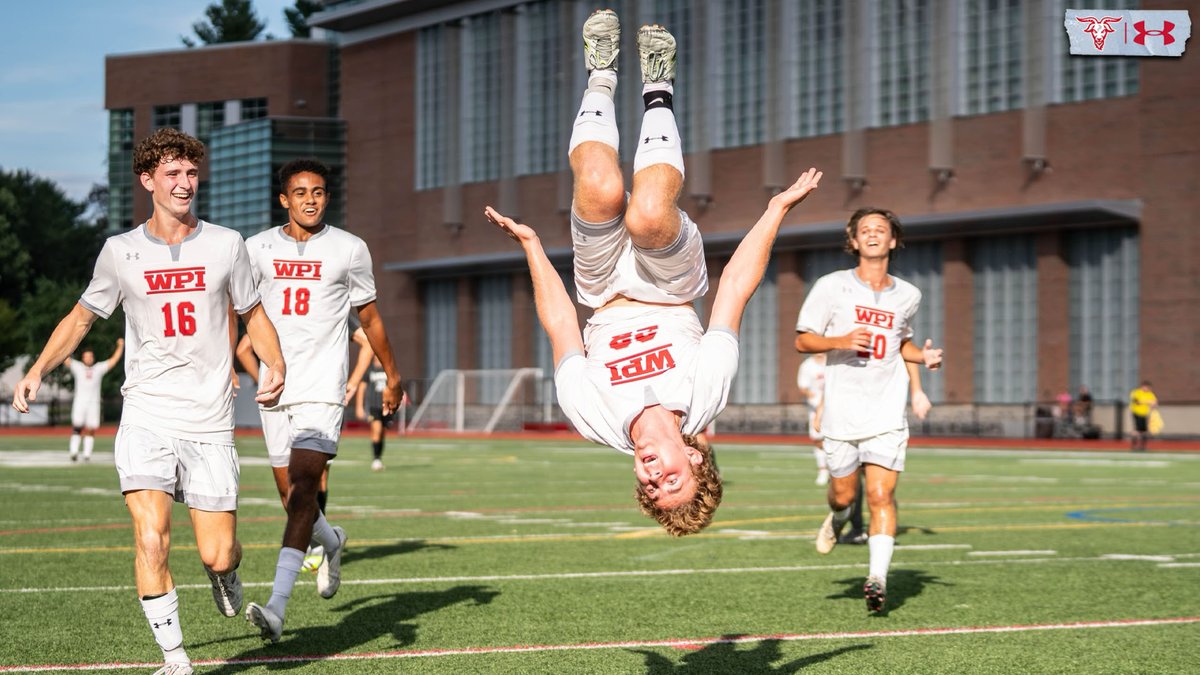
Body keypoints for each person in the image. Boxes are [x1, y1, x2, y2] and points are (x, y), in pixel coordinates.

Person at [484, 9, 823, 536]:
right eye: (672, 482)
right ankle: (658, 85)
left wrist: (531, 245)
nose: (653, 479)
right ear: (695, 459)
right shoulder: (707, 393)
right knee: (644, 216)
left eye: (650, 491)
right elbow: (734, 287)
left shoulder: (591, 418)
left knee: (598, 186)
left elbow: (561, 327)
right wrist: (777, 207)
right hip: (671, 288)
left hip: (601, 291)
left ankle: (601, 73)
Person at [10, 127, 286, 675]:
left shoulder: (227, 244)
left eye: (191, 173)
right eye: (173, 174)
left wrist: (275, 365)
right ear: (147, 180)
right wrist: (38, 368)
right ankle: (174, 658)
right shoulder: (120, 252)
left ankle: (225, 574)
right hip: (146, 412)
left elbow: (253, 314)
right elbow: (82, 317)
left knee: (217, 551)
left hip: (209, 418)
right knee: (150, 536)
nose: (185, 184)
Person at [239, 158, 404, 643]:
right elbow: (240, 315)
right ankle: (332, 542)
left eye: (319, 191)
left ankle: (276, 607)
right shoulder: (256, 249)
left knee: (305, 488)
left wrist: (392, 375)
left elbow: (370, 320)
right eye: (300, 192)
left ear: (327, 197)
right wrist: (225, 366)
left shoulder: (350, 249)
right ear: (283, 200)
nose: (310, 199)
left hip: (322, 391)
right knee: (294, 500)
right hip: (275, 390)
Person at [795, 207, 943, 614]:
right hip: (842, 411)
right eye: (866, 230)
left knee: (881, 494)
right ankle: (837, 517)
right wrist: (841, 339)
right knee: (844, 494)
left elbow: (902, 345)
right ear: (854, 241)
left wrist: (923, 358)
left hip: (886, 412)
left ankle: (877, 578)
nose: (874, 235)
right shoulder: (831, 287)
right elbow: (803, 342)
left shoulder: (909, 294)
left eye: (881, 229)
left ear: (893, 240)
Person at [64, 338, 124, 462]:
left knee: (91, 429)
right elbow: (65, 359)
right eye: (86, 356)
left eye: (90, 356)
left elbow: (113, 361)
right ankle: (74, 452)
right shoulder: (78, 367)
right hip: (80, 402)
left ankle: (87, 454)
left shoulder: (98, 368)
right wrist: (66, 341)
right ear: (83, 358)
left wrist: (120, 347)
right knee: (77, 427)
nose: (88, 358)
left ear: (93, 358)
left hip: (94, 403)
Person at [356, 353, 396, 471]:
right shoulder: (369, 370)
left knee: (382, 433)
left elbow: (395, 384)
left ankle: (378, 458)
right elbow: (362, 388)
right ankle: (376, 459)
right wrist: (359, 407)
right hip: (374, 406)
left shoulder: (388, 369)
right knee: (377, 430)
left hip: (386, 406)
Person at [797, 353, 829, 486]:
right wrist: (813, 396)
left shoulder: (833, 361)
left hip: (834, 407)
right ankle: (823, 470)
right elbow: (803, 387)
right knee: (817, 439)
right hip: (815, 409)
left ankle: (836, 469)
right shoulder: (807, 366)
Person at [1128, 380, 1158, 452]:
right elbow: (1136, 401)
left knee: (1144, 431)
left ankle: (1142, 447)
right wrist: (1148, 402)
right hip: (1136, 413)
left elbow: (1155, 403)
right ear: (1142, 387)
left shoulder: (1150, 394)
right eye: (1146, 387)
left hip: (1144, 414)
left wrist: (1153, 404)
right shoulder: (1136, 392)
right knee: (1137, 430)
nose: (1147, 389)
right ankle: (1134, 446)